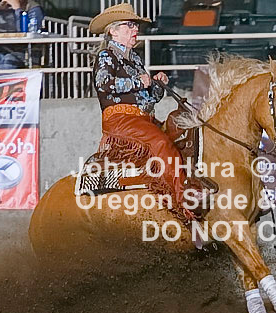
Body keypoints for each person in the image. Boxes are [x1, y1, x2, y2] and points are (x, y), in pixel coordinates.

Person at [89, 3, 208, 221]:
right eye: (129, 25)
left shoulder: (134, 58)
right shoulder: (106, 56)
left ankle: (186, 183)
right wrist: (139, 82)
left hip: (143, 119)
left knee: (181, 131)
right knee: (160, 143)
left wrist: (157, 85)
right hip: (119, 120)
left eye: (135, 26)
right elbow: (103, 84)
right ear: (113, 31)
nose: (135, 29)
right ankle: (183, 201)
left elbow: (151, 98)